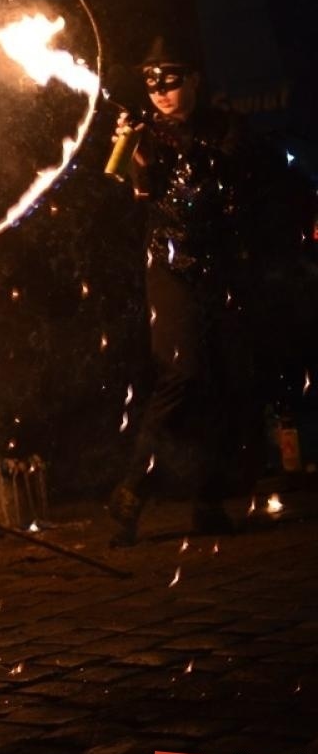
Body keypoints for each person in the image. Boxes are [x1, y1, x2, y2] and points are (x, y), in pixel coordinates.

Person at [108, 37, 255, 546]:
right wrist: (137, 155)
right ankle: (131, 491)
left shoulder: (224, 128)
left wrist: (164, 145)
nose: (160, 91)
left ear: (194, 78)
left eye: (170, 79)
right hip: (169, 266)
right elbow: (141, 191)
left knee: (214, 378)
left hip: (220, 268)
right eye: (151, 82)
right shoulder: (147, 134)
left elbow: (219, 178)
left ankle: (208, 500)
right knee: (181, 372)